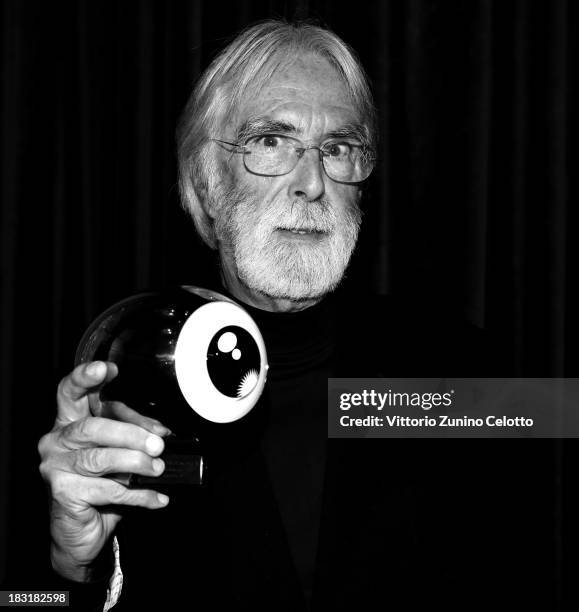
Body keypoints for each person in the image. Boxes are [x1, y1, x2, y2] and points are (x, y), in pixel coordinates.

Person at [38, 20, 556, 612]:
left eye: (338, 149)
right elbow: (18, 601)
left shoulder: (476, 376)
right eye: (271, 141)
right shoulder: (111, 380)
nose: (312, 182)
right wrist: (67, 566)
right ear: (206, 183)